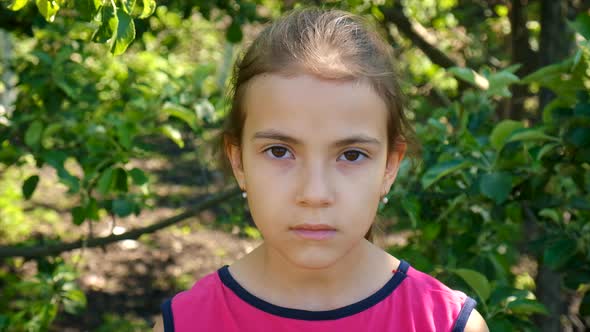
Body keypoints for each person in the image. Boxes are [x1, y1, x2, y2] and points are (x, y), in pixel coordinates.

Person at [154, 7, 488, 332]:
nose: (315, 194)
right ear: (238, 160)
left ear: (390, 166)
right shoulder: (185, 324)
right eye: (279, 151)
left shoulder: (445, 324)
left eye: (352, 155)